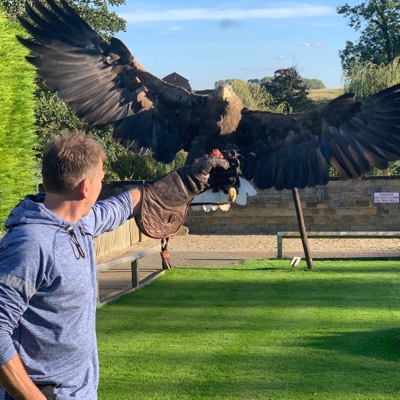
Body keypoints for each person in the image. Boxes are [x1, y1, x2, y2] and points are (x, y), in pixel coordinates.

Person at [0, 131, 237, 399]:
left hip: (80, 391)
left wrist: (187, 179)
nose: (104, 183)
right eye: (102, 177)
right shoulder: (31, 244)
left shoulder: (80, 223)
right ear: (85, 188)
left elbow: (125, 204)